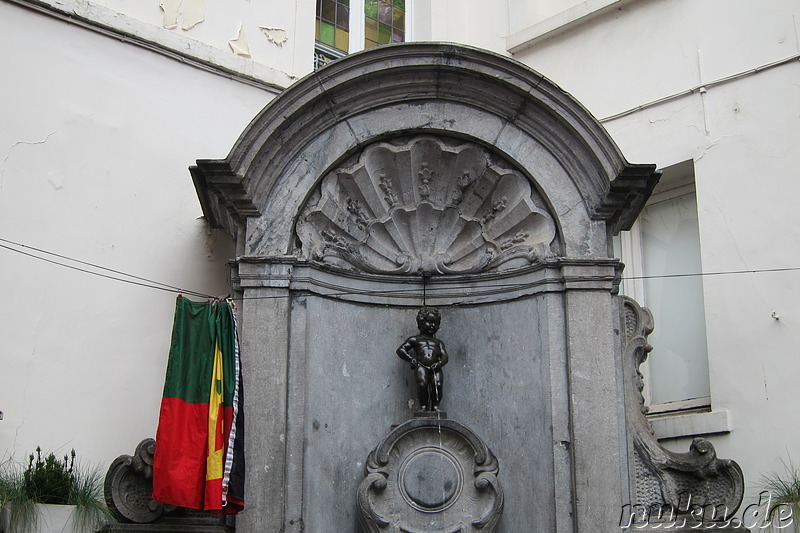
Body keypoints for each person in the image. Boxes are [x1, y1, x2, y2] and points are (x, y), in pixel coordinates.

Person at [396, 308, 449, 411]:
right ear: (421, 323)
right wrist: (411, 360)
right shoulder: (415, 339)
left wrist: (439, 363)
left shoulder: (438, 342)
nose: (432, 325)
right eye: (429, 322)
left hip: (436, 367)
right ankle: (423, 406)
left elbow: (445, 356)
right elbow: (401, 350)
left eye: (435, 323)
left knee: (437, 385)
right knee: (422, 384)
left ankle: (435, 406)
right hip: (421, 366)